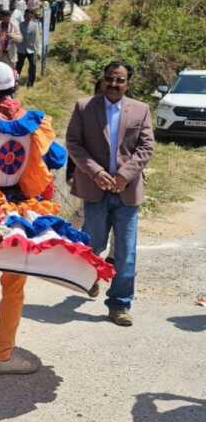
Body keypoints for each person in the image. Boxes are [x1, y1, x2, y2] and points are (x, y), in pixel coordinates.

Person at [0, 62, 71, 374]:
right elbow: (57, 157)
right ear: (14, 86)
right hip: (21, 211)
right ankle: (3, 356)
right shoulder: (34, 124)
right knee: (14, 282)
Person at [66, 62, 155, 327]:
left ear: (128, 83)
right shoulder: (84, 107)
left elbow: (146, 147)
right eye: (109, 79)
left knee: (126, 252)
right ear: (103, 79)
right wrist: (95, 172)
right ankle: (90, 277)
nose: (114, 85)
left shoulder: (140, 109)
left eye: (120, 80)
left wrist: (124, 175)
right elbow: (73, 143)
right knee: (93, 246)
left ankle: (119, 304)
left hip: (127, 191)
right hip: (95, 190)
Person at [16, 9, 42, 87]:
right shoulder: (20, 25)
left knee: (33, 66)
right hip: (21, 49)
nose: (28, 17)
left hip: (32, 49)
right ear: (24, 16)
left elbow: (37, 39)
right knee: (18, 66)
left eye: (30, 16)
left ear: (32, 16)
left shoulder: (35, 25)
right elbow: (17, 37)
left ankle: (30, 83)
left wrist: (38, 51)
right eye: (27, 16)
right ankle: (15, 81)